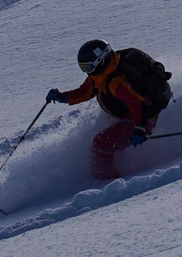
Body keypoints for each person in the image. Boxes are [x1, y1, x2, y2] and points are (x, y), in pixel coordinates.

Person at [46, 39, 173, 180]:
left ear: (100, 61)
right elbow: (84, 92)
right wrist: (61, 97)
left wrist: (139, 129)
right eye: (83, 68)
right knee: (104, 140)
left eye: (87, 67)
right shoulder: (99, 75)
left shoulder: (115, 82)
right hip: (129, 115)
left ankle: (108, 181)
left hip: (141, 119)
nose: (86, 72)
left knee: (100, 144)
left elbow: (136, 104)